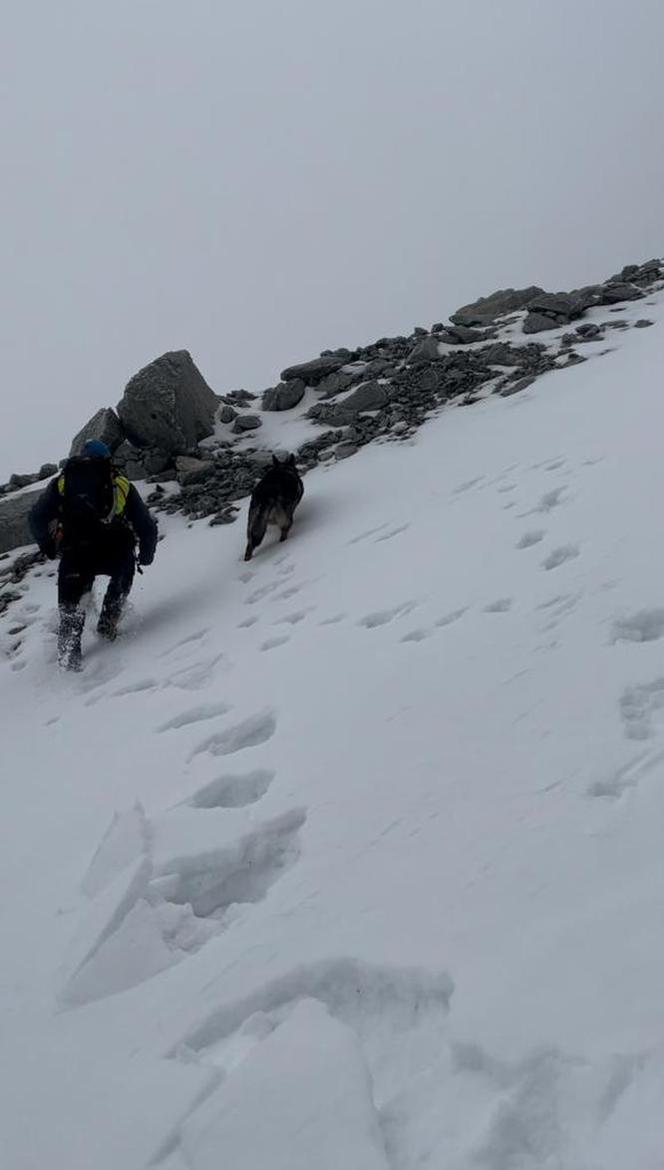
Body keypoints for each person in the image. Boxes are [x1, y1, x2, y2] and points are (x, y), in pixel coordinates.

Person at [29, 439, 158, 670]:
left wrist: (47, 546)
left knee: (70, 613)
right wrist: (146, 555)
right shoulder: (120, 483)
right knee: (123, 575)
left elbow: (36, 517)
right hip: (115, 551)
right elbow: (146, 525)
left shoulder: (63, 482)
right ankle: (108, 623)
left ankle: (68, 667)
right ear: (107, 460)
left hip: (75, 554)